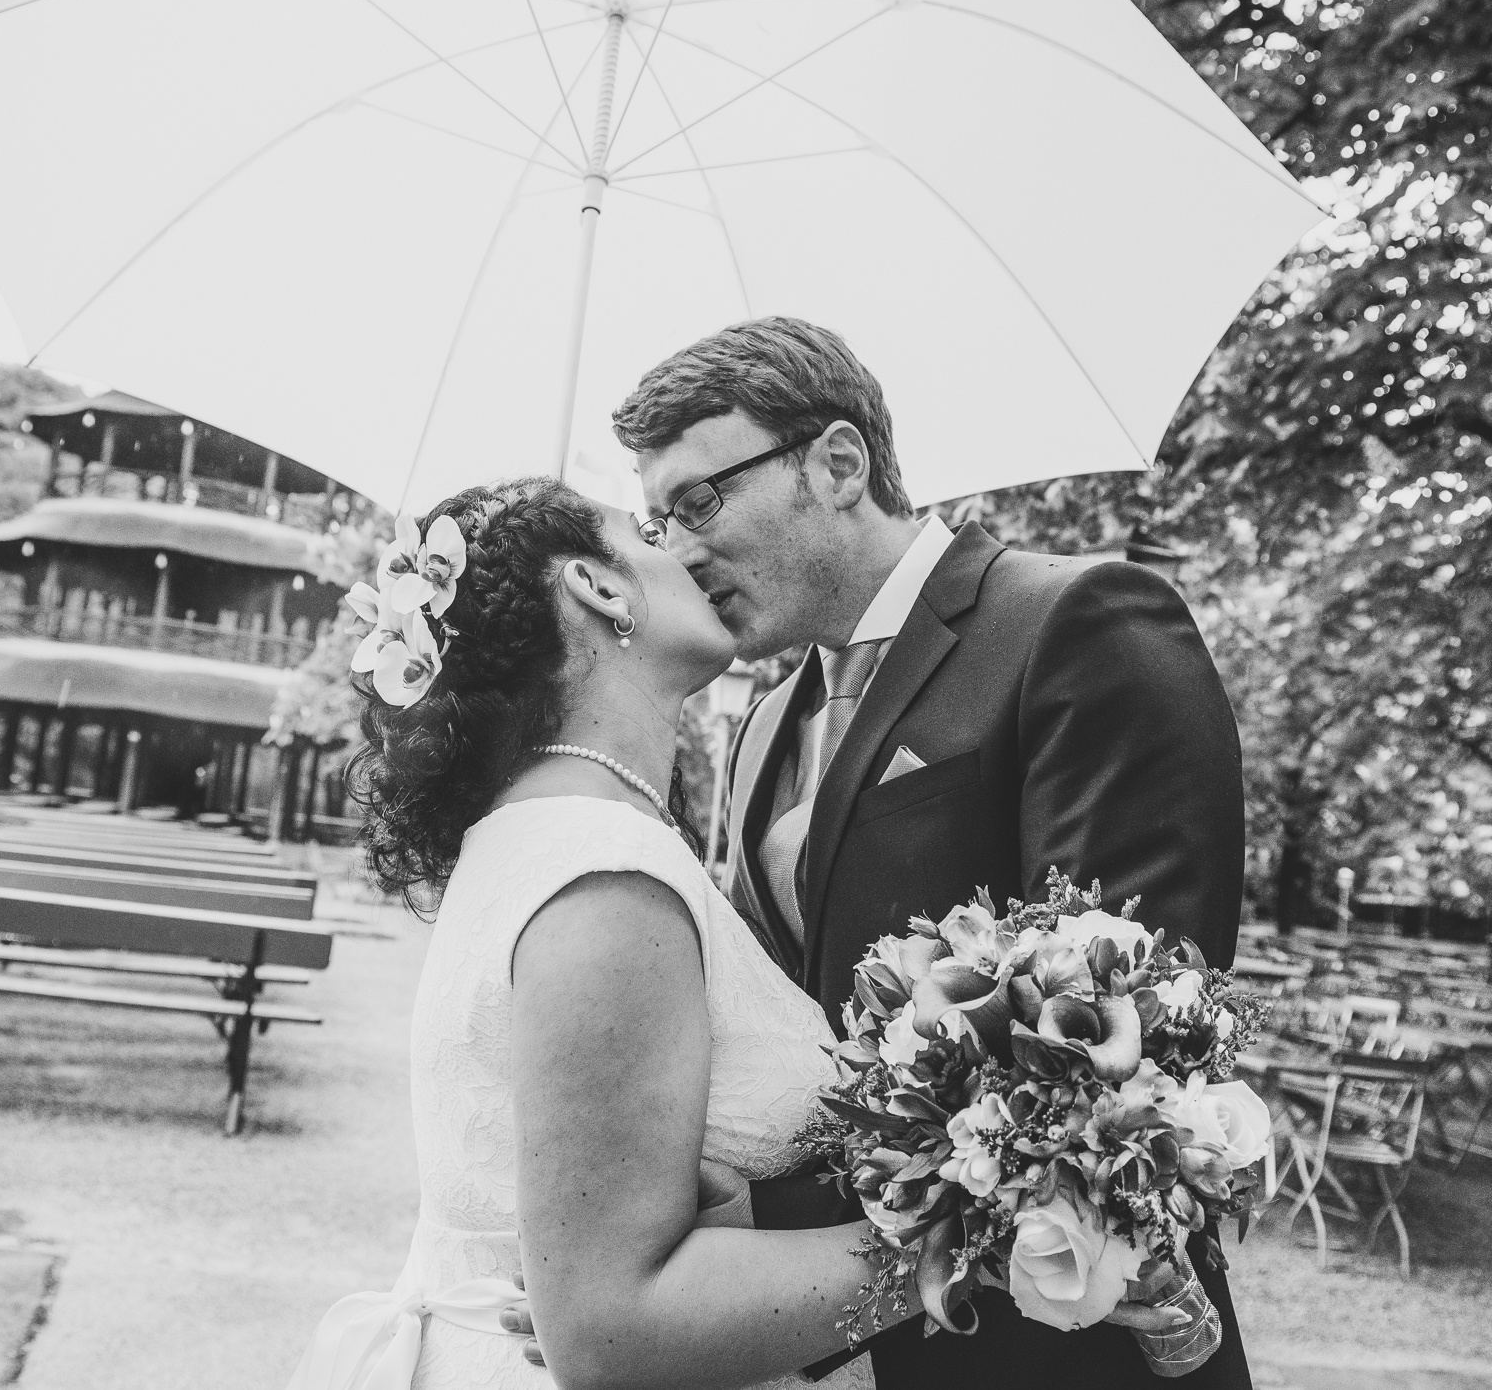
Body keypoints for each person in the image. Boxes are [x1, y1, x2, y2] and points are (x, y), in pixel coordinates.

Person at [286, 478, 1186, 1390]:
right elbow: (612, 1335)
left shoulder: (573, 836)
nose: (680, 548)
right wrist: (972, 1246)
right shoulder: (601, 873)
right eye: (644, 530)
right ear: (601, 590)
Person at [607, 316, 1254, 1390]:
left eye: (698, 501)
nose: (676, 549)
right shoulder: (764, 724)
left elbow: (1131, 1039)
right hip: (830, 1334)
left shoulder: (1077, 621)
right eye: (657, 517)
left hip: (1062, 1346)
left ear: (838, 463)